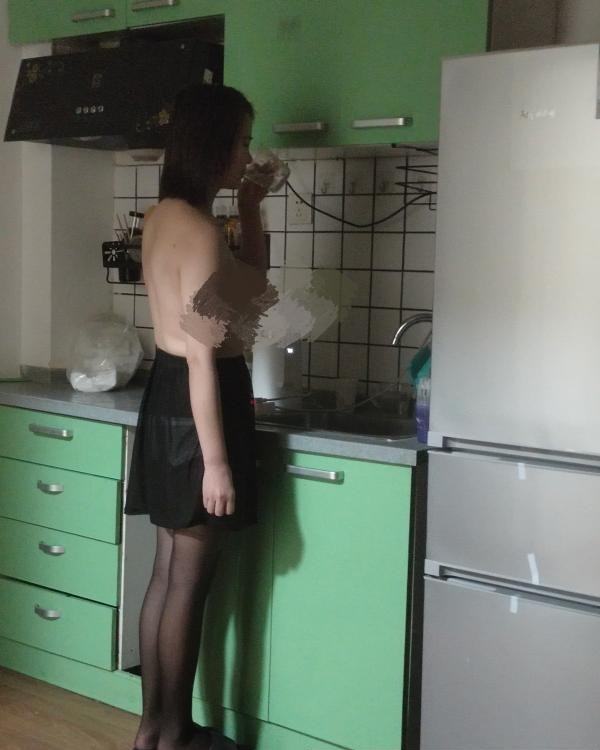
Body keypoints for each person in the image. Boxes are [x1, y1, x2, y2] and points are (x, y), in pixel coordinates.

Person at [124, 83, 273, 750]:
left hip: (165, 397)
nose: (246, 155)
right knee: (188, 584)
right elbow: (207, 358)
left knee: (165, 575)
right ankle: (176, 735)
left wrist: (251, 208)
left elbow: (248, 295)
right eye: (241, 142)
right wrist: (216, 463)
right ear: (214, 146)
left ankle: (152, 731)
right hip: (198, 403)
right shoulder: (203, 234)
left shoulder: (164, 217)